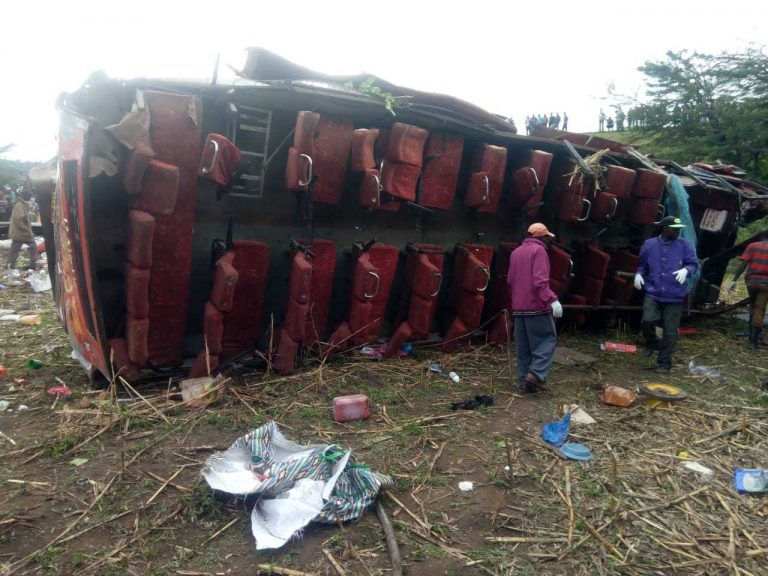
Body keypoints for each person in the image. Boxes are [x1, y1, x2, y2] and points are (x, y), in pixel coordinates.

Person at [634, 216, 698, 373]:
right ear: (664, 228)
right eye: (674, 229)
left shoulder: (684, 245)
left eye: (679, 229)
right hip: (653, 291)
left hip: (674, 294)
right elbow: (642, 265)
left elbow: (693, 264)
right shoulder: (650, 245)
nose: (677, 231)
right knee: (647, 321)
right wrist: (638, 274)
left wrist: (686, 270)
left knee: (670, 331)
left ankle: (664, 362)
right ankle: (652, 342)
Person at [507, 223, 563, 392]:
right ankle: (537, 374)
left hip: (518, 308)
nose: (549, 242)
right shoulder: (539, 251)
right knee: (547, 340)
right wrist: (552, 299)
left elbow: (510, 280)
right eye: (547, 238)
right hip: (536, 306)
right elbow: (540, 281)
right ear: (541, 238)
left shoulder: (516, 252)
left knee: (523, 347)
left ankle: (524, 382)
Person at [727, 232, 768, 348]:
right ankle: (753, 342)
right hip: (765, 284)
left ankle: (751, 337)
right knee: (760, 310)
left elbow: (744, 263)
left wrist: (734, 280)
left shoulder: (752, 246)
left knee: (753, 306)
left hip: (751, 282)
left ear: (762, 237)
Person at [7, 188, 37, 271]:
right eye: (29, 196)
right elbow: (18, 218)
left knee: (16, 249)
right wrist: (26, 229)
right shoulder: (19, 205)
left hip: (20, 232)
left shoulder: (21, 204)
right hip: (21, 232)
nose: (29, 198)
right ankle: (11, 265)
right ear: (24, 196)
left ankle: (11, 264)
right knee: (30, 246)